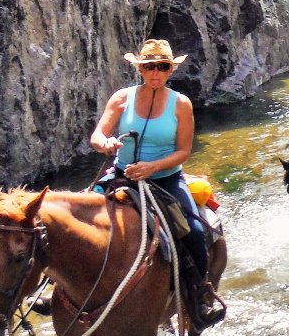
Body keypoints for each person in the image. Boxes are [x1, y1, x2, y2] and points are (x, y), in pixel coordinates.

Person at [90, 38, 225, 305]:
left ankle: (200, 295)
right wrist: (104, 143)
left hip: (167, 179)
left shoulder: (180, 104)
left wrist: (152, 167)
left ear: (170, 70)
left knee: (195, 232)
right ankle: (57, 290)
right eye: (150, 67)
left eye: (162, 67)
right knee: (73, 221)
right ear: (140, 69)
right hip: (121, 175)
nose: (155, 73)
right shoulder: (121, 98)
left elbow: (183, 151)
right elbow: (98, 134)